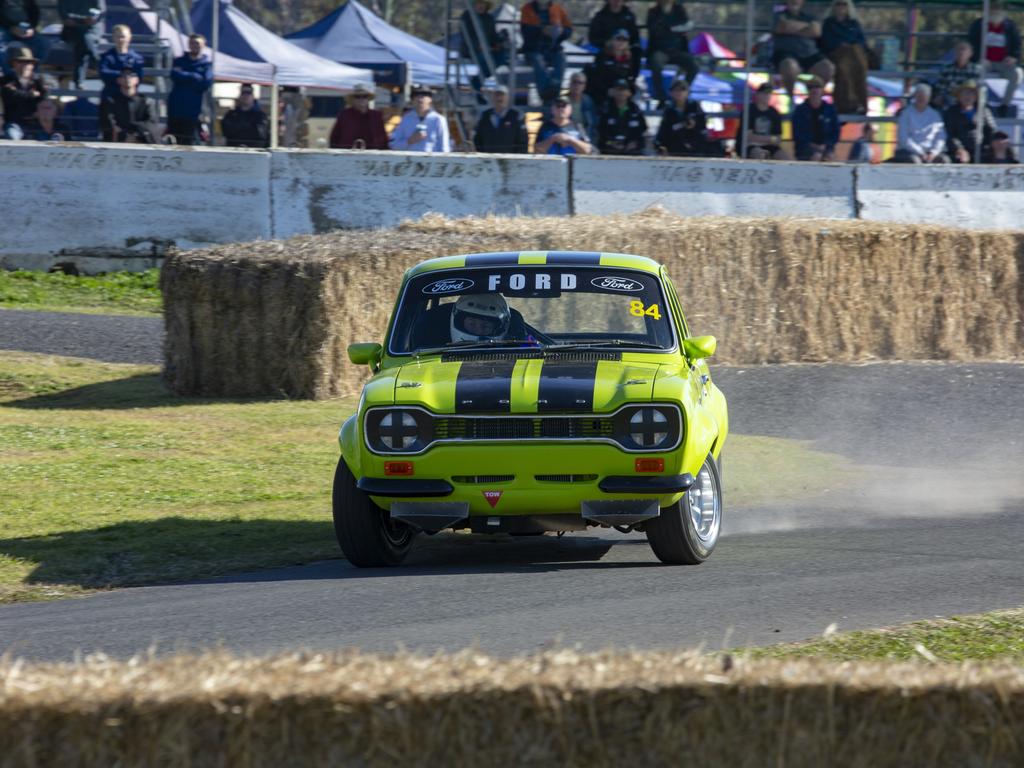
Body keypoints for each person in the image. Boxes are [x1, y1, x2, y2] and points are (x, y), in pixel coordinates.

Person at [968, 0, 1022, 116]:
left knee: (1017, 74)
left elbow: (1017, 44)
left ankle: (1005, 105)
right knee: (976, 71)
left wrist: (1013, 57)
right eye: (992, 9)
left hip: (1004, 63)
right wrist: (979, 57)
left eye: (998, 9)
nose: (995, 11)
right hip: (984, 61)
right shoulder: (979, 25)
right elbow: (972, 43)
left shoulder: (1010, 26)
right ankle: (981, 103)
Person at [772, 0, 834, 98]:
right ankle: (791, 98)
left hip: (809, 54)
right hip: (786, 53)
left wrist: (792, 28)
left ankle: (812, 98)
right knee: (790, 66)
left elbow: (816, 32)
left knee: (828, 68)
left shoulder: (810, 16)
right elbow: (783, 26)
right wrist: (806, 27)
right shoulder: (779, 15)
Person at [646, 0, 698, 107]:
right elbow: (654, 30)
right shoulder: (653, 12)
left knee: (693, 66)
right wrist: (674, 28)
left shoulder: (679, 10)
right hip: (660, 49)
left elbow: (687, 25)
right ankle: (661, 98)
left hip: (677, 50)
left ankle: (682, 93)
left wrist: (669, 28)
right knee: (656, 65)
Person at [820, 0, 868, 114]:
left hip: (854, 54)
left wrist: (851, 45)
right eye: (838, 4)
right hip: (837, 53)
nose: (841, 7)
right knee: (843, 69)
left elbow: (861, 41)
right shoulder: (828, 23)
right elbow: (826, 42)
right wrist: (842, 44)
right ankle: (847, 104)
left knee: (860, 67)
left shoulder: (854, 24)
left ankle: (861, 103)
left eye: (844, 4)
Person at [520, 0, 572, 101]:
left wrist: (562, 32)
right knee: (538, 60)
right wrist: (542, 30)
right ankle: (545, 93)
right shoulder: (527, 9)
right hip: (533, 49)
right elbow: (525, 30)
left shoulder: (557, 9)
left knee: (561, 58)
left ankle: (554, 89)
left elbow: (569, 29)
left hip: (552, 49)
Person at [165, 33, 212, 145]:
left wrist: (184, 76)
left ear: (203, 46)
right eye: (192, 43)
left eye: (198, 43)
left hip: (192, 113)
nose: (194, 46)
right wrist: (195, 76)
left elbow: (205, 83)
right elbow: (174, 75)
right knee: (172, 142)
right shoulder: (179, 61)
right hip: (175, 110)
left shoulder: (206, 65)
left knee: (187, 143)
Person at [460, 0, 507, 95]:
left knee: (502, 58)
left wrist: (500, 41)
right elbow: (467, 36)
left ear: (487, 6)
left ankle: (476, 87)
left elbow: (493, 36)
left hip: (488, 50)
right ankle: (476, 87)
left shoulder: (489, 18)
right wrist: (478, 46)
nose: (481, 6)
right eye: (478, 3)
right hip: (471, 50)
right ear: (474, 4)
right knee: (487, 62)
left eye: (483, 4)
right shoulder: (467, 17)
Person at [892, 83, 948, 164]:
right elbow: (904, 139)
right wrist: (920, 153)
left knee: (944, 160)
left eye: (924, 96)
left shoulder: (935, 115)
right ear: (915, 96)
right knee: (915, 161)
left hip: (930, 152)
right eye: (919, 95)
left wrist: (934, 152)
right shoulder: (905, 114)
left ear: (929, 98)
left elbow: (941, 137)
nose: (921, 98)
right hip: (908, 151)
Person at [943, 80, 996, 163]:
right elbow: (949, 134)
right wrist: (959, 149)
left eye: (971, 93)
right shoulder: (951, 112)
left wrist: (990, 147)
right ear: (959, 96)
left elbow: (992, 130)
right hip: (959, 152)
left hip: (981, 150)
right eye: (964, 93)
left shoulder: (984, 111)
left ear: (976, 97)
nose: (968, 96)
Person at [99, 68, 156, 143]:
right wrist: (125, 136)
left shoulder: (146, 102)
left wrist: (135, 135)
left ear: (137, 80)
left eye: (131, 76)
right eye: (124, 75)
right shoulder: (111, 101)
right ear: (118, 80)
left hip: (142, 141)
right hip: (117, 142)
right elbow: (108, 122)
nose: (127, 78)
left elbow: (151, 123)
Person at [654, 76, 707, 156]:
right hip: (675, 148)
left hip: (695, 148)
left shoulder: (695, 106)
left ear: (687, 92)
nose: (679, 93)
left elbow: (702, 125)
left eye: (682, 90)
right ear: (671, 93)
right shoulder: (669, 110)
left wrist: (693, 124)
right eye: (675, 90)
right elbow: (664, 130)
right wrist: (661, 146)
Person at [0, 46, 45, 139]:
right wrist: (32, 95)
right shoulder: (5, 81)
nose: (25, 65)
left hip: (37, 123)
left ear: (33, 65)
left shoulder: (38, 81)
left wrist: (17, 93)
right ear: (14, 64)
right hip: (13, 123)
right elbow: (10, 96)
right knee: (13, 137)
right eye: (21, 61)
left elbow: (44, 96)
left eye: (29, 62)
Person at [390, 84, 450, 152]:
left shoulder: (438, 119)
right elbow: (393, 144)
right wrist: (409, 141)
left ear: (430, 99)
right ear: (412, 100)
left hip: (432, 161)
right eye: (416, 95)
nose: (420, 99)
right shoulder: (406, 118)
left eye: (424, 95)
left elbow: (444, 147)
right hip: (409, 161)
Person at [57, 0, 104, 88]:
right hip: (71, 30)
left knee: (84, 39)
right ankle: (96, 60)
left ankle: (78, 81)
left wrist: (92, 19)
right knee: (84, 39)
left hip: (91, 29)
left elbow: (100, 13)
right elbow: (63, 14)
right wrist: (70, 20)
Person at [586, 29, 638, 107]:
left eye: (624, 40)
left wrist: (627, 90)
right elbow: (597, 77)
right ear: (612, 40)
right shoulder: (603, 55)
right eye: (618, 39)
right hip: (604, 91)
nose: (621, 42)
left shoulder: (630, 58)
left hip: (622, 92)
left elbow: (631, 77)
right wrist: (607, 90)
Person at [791, 77, 839, 161]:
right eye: (811, 87)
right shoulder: (800, 110)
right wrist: (812, 145)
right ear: (808, 90)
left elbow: (835, 132)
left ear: (822, 90)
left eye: (817, 86)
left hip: (826, 147)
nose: (814, 90)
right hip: (804, 148)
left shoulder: (830, 110)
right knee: (816, 156)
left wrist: (826, 145)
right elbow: (797, 134)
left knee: (830, 158)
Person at [329, 83, 387, 150]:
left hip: (372, 154)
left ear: (368, 99)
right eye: (357, 96)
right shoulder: (344, 115)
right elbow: (335, 137)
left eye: (364, 96)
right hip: (348, 154)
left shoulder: (376, 115)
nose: (361, 99)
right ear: (353, 99)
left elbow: (383, 137)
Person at [596, 78, 646, 155]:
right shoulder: (605, 110)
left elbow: (642, 132)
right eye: (618, 90)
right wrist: (611, 143)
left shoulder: (636, 111)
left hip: (632, 153)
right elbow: (600, 132)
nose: (621, 92)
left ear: (629, 93)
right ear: (613, 92)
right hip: (609, 152)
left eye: (623, 90)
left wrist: (634, 143)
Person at [473, 85, 528, 153]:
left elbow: (523, 141)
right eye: (496, 95)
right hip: (488, 159)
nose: (499, 98)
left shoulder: (516, 116)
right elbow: (478, 139)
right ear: (492, 97)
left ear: (507, 97)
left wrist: (518, 159)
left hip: (510, 160)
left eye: (502, 95)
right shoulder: (485, 116)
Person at [0, 0, 46, 76]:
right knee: (1, 46)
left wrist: (31, 28)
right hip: (4, 27)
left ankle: (30, 73)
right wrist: (11, 27)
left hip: (25, 28)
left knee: (43, 43)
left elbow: (34, 11)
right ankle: (9, 75)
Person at [98, 24, 143, 100]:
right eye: (117, 37)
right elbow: (103, 73)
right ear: (113, 38)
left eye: (123, 37)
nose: (120, 40)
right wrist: (123, 75)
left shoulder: (136, 58)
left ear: (129, 38)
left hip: (129, 97)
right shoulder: (106, 57)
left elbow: (138, 77)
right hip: (110, 96)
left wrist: (122, 78)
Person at [745, 82, 789, 159]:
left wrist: (762, 139)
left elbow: (778, 139)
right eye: (764, 93)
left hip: (771, 147)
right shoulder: (749, 111)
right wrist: (770, 139)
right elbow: (748, 137)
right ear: (757, 94)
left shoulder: (774, 112)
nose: (767, 96)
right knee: (759, 154)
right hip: (751, 146)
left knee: (784, 158)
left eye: (769, 93)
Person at [221, 83, 269, 148]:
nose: (245, 96)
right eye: (243, 93)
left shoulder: (260, 115)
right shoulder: (231, 114)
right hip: (233, 150)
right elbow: (227, 132)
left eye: (248, 93)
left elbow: (261, 135)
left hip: (255, 151)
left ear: (253, 96)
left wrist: (240, 128)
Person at [567, 71, 597, 138]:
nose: (577, 85)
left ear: (584, 86)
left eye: (580, 83)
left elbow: (592, 124)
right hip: (567, 137)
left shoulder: (588, 101)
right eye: (574, 82)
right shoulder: (562, 101)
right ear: (569, 84)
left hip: (585, 138)